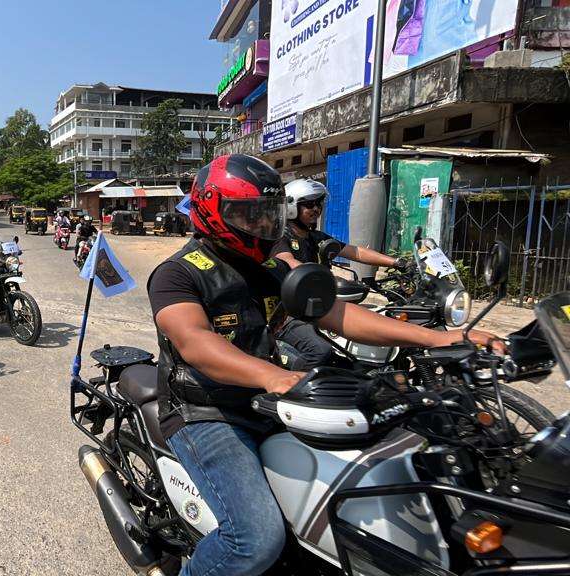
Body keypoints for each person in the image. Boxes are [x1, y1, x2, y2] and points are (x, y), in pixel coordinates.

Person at [147, 154, 502, 576]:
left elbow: (338, 314)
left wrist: (442, 338)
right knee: (255, 539)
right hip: (207, 410)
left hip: (269, 401)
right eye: (250, 215)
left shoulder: (272, 268)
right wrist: (274, 376)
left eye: (268, 215)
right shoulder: (177, 274)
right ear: (212, 211)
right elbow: (197, 344)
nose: (263, 226)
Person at [271, 178, 414, 369]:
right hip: (289, 313)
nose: (315, 209)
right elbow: (289, 260)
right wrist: (321, 280)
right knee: (319, 351)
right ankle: (291, 388)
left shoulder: (316, 237)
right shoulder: (280, 238)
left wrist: (397, 262)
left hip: (318, 307)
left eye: (318, 203)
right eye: (309, 204)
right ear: (291, 207)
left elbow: (356, 252)